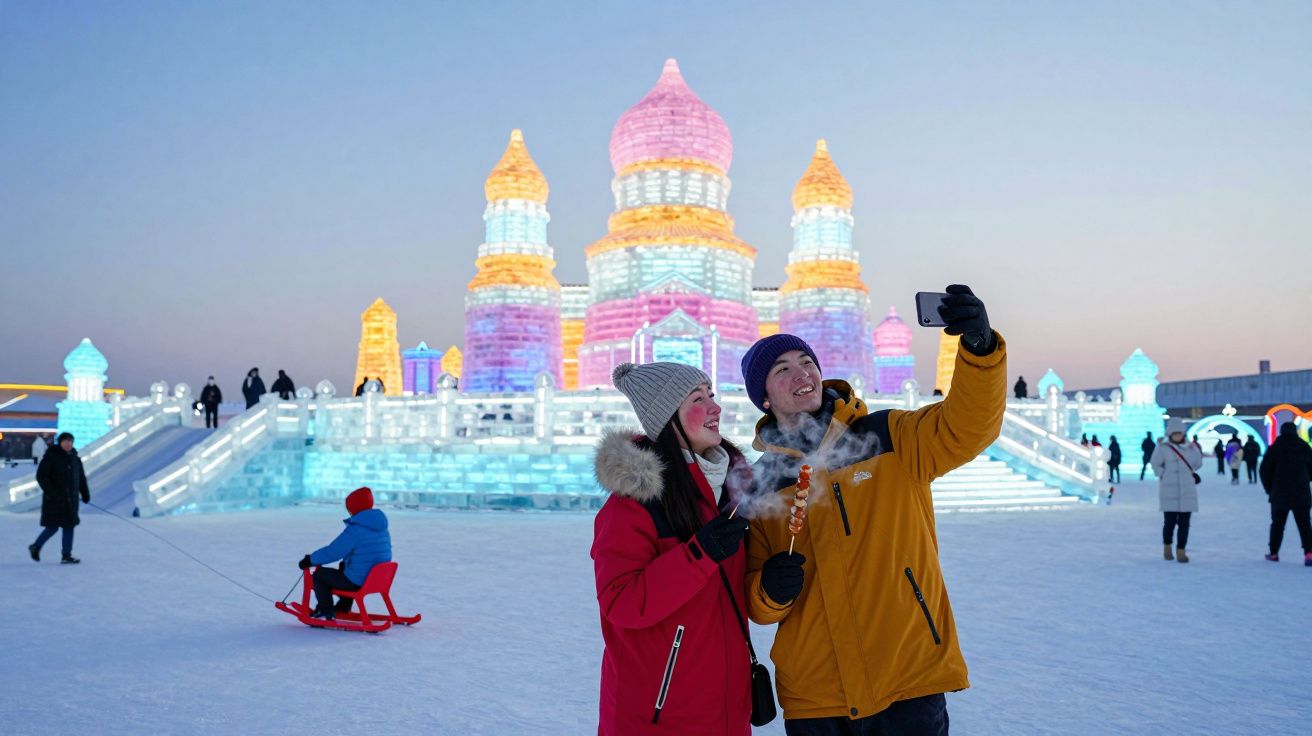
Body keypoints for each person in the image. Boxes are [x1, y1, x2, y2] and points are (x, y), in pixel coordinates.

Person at [743, 284, 1002, 734]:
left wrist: (979, 349)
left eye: (807, 362)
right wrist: (770, 589)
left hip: (906, 676)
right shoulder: (760, 483)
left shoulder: (888, 435)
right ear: (763, 397)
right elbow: (759, 608)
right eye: (782, 370)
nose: (801, 373)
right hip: (816, 697)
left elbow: (968, 426)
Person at [592, 361, 754, 734]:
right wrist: (698, 555)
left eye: (711, 395)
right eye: (698, 399)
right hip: (657, 716)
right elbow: (621, 602)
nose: (715, 407)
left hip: (726, 712)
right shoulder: (633, 503)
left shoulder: (731, 490)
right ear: (667, 419)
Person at [297, 486, 391, 620]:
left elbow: (333, 552)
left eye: (349, 509)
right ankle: (343, 606)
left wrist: (311, 560)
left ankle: (325, 610)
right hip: (377, 579)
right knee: (344, 566)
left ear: (354, 509)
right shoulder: (381, 529)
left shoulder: (356, 530)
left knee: (319, 575)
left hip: (358, 581)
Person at [28, 432, 90, 564]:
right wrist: (52, 492)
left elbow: (81, 478)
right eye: (65, 441)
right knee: (53, 526)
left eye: (70, 441)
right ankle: (36, 546)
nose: (68, 443)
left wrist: (85, 493)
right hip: (54, 499)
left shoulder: (75, 459)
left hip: (71, 499)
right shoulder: (51, 457)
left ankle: (66, 555)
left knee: (69, 526)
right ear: (60, 442)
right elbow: (41, 476)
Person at [1259, 423, 1312, 565]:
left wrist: (1270, 488)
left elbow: (1264, 470)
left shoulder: (1275, 448)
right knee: (1305, 524)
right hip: (1301, 492)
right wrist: (1306, 479)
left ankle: (1274, 553)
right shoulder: (1304, 447)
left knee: (1277, 524)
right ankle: (1309, 553)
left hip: (1280, 493)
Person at [1152, 418, 1203, 563]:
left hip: (1187, 490)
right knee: (1169, 522)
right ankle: (1167, 547)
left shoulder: (1190, 448)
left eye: (1180, 433)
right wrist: (1164, 474)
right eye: (1175, 433)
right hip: (1169, 491)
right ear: (1170, 434)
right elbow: (1155, 463)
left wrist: (1195, 449)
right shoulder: (1163, 447)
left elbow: (1198, 464)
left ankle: (1181, 550)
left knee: (1185, 523)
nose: (1177, 436)